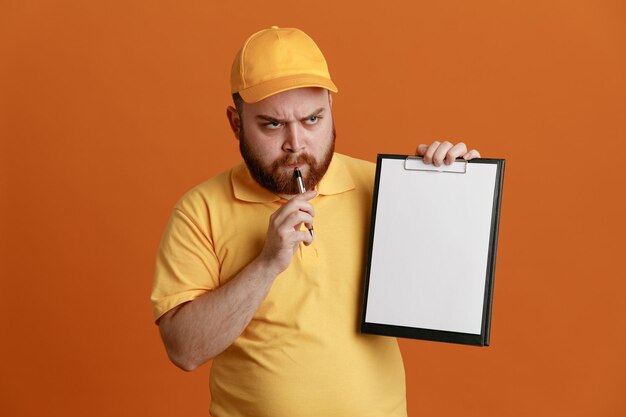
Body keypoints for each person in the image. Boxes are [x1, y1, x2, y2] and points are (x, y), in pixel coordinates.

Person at [151, 26, 480, 417]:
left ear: (330, 110)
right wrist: (267, 263)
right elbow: (184, 350)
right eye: (272, 124)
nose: (296, 143)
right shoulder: (199, 211)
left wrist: (455, 193)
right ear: (236, 124)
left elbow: (448, 284)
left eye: (312, 119)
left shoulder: (381, 188)